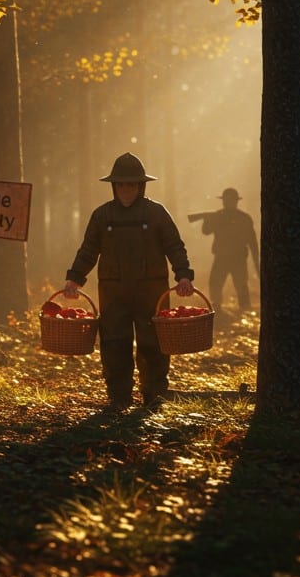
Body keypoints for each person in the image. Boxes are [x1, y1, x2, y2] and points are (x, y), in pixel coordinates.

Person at [64, 152, 194, 412]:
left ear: (141, 186)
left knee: (153, 344)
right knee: (114, 343)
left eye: (131, 184)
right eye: (121, 184)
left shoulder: (157, 213)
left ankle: (154, 396)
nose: (125, 189)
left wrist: (183, 274)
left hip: (152, 291)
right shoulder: (102, 216)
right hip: (113, 292)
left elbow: (174, 245)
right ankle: (119, 397)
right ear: (113, 186)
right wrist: (74, 278)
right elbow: (89, 250)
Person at [190, 187, 260, 312]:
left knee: (240, 286)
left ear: (235, 201)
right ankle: (219, 309)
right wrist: (207, 219)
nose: (227, 202)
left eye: (229, 200)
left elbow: (252, 242)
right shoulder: (236, 217)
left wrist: (257, 260)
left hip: (234, 258)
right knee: (216, 284)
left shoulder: (236, 217)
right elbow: (206, 231)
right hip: (225, 257)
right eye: (226, 200)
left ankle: (242, 310)